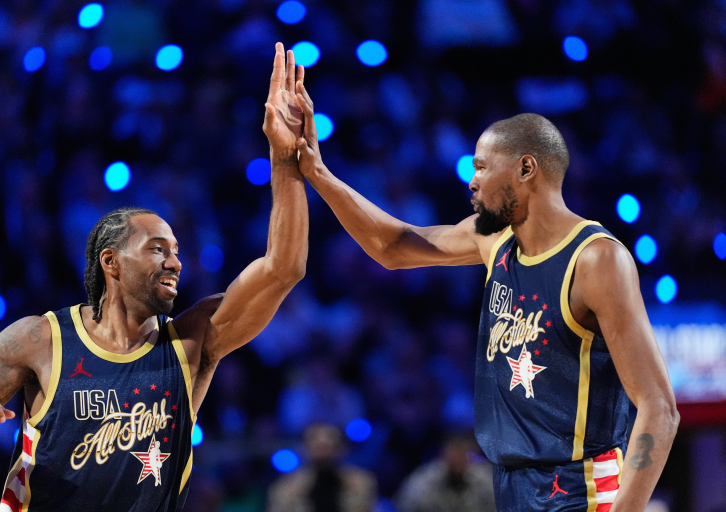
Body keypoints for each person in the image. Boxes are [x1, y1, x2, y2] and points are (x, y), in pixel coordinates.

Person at [0, 42, 309, 512]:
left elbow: (284, 268)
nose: (175, 262)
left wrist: (284, 159)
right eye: (158, 249)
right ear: (111, 262)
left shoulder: (193, 341)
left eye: (177, 252)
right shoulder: (40, 340)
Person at [290, 80, 679, 511]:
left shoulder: (596, 260)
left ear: (526, 169)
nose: (471, 182)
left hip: (580, 488)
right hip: (510, 485)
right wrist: (318, 173)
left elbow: (659, 406)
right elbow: (392, 247)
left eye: (481, 167)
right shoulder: (495, 240)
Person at [266, 422, 377, 512]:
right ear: (304, 449)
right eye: (318, 447)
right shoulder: (285, 488)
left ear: (342, 449)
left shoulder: (361, 483)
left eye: (328, 447)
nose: (324, 454)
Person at [396, 433, 496, 512]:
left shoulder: (487, 479)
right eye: (454, 451)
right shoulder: (425, 480)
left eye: (462, 452)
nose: (458, 457)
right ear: (443, 454)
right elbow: (404, 505)